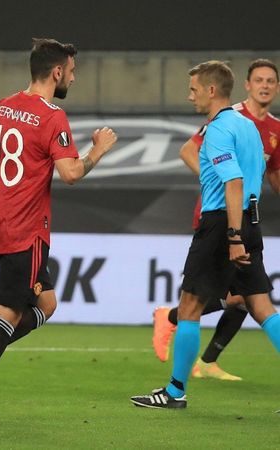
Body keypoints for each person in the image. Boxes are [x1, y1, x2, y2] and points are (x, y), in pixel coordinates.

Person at [0, 38, 117, 421]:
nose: (73, 77)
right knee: (6, 313)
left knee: (46, 303)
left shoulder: (3, 106)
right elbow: (70, 173)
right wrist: (98, 150)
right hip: (26, 226)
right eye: (71, 71)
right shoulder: (52, 116)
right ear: (57, 72)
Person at [131, 60, 280, 409]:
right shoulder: (249, 129)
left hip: (220, 225)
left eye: (195, 89)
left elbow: (234, 182)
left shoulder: (216, 131)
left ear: (212, 91)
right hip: (252, 221)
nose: (190, 96)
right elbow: (254, 178)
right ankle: (177, 388)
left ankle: (174, 391)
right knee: (262, 307)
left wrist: (231, 236)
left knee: (189, 307)